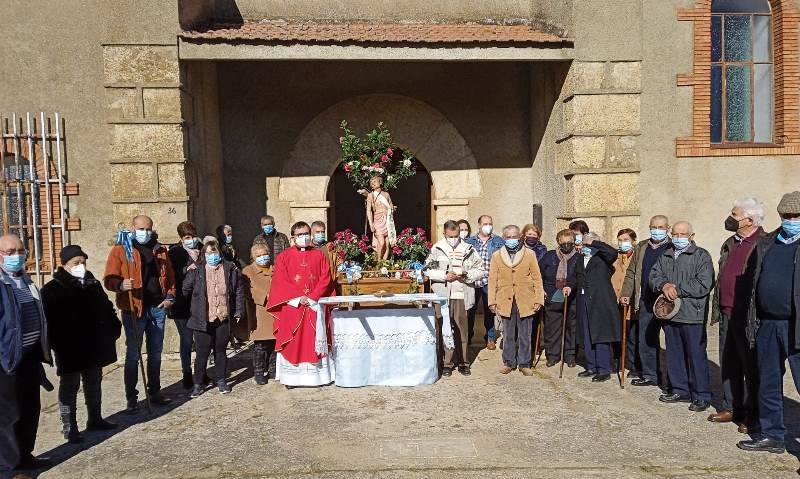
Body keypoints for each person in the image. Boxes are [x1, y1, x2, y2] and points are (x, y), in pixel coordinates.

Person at [738, 191, 800, 454]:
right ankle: (772, 435)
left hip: (796, 325)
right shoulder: (767, 242)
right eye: (787, 215)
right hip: (768, 324)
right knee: (768, 382)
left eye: (796, 216)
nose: (791, 220)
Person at [42, 245, 120, 444]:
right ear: (64, 265)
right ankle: (69, 427)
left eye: (83, 262)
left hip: (94, 344)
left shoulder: (92, 283)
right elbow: (49, 323)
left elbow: (106, 307)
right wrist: (56, 344)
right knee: (70, 386)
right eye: (76, 263)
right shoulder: (52, 289)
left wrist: (113, 327)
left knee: (93, 381)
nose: (81, 266)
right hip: (70, 348)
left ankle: (95, 418)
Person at [104, 215, 175, 412]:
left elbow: (170, 277)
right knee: (133, 354)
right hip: (134, 308)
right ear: (133, 228)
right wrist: (120, 285)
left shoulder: (160, 250)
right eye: (141, 228)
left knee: (155, 353)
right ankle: (131, 397)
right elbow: (109, 279)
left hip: (157, 307)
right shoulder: (121, 249)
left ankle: (155, 392)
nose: (145, 232)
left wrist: (170, 297)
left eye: (148, 229)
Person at [708, 198, 764, 432]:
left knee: (751, 366)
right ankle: (732, 407)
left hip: (748, 316)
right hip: (727, 311)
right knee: (729, 363)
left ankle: (753, 414)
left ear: (749, 220)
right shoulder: (730, 242)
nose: (730, 218)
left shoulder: (763, 243)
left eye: (735, 215)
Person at [649, 221, 714, 412]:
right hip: (670, 314)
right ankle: (679, 389)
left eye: (683, 234)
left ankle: (701, 395)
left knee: (696, 356)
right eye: (675, 234)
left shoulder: (701, 255)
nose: (678, 238)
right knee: (674, 354)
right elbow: (654, 276)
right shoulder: (666, 254)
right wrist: (663, 285)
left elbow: (704, 283)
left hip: (692, 314)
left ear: (691, 236)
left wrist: (677, 289)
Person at [0, 234, 52, 474]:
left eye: (20, 251)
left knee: (30, 408)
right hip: (6, 359)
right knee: (8, 415)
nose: (17, 256)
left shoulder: (25, 280)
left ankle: (25, 455)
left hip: (30, 355)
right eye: (10, 252)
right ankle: (9, 469)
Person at [267, 222, 336, 387]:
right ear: (293, 237)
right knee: (293, 342)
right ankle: (291, 378)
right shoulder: (284, 257)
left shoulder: (319, 255)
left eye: (306, 234)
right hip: (292, 306)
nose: (303, 237)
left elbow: (326, 278)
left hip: (314, 305)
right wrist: (299, 298)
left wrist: (312, 297)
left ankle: (319, 378)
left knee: (314, 339)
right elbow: (280, 281)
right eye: (299, 235)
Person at [184, 240, 244, 397]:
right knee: (202, 354)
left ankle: (221, 380)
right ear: (204, 254)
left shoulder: (230, 268)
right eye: (209, 253)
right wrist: (189, 271)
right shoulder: (197, 270)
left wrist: (238, 310)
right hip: (202, 319)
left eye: (215, 252)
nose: (212, 256)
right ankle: (198, 383)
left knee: (221, 352)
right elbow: (185, 290)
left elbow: (238, 290)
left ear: (220, 254)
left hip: (223, 317)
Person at [424, 220, 484, 377]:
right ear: (444, 234)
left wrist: (467, 275)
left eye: (456, 235)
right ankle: (446, 363)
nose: (454, 239)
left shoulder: (468, 249)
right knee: (444, 329)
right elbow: (427, 270)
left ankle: (464, 362)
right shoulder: (437, 249)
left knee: (462, 330)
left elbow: (480, 269)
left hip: (462, 295)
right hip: (442, 296)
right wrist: (444, 275)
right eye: (450, 236)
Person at [620, 215, 671, 387]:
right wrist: (626, 293)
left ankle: (674, 380)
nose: (657, 230)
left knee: (672, 342)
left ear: (667, 228)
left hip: (667, 301)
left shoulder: (672, 247)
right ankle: (650, 374)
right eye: (653, 227)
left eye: (661, 227)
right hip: (645, 300)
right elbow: (631, 273)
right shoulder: (642, 247)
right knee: (646, 339)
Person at [488, 225, 544, 376]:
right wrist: (492, 301)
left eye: (514, 237)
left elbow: (537, 278)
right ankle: (509, 362)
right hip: (505, 299)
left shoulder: (530, 254)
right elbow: (492, 280)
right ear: (504, 238)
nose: (511, 239)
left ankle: (524, 363)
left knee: (525, 334)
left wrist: (539, 298)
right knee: (508, 334)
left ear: (520, 237)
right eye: (508, 237)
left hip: (525, 299)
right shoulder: (497, 256)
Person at [576, 232, 621, 382]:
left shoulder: (603, 258)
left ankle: (603, 369)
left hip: (601, 301)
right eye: (584, 243)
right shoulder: (580, 258)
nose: (585, 246)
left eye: (588, 244)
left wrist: (594, 243)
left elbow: (613, 252)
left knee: (601, 335)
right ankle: (591, 366)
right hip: (584, 300)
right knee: (587, 335)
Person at [538, 229, 579, 368]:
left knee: (571, 328)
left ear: (574, 242)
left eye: (569, 242)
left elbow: (579, 276)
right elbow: (539, 274)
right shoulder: (549, 256)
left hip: (571, 298)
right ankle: (552, 355)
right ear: (558, 242)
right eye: (564, 242)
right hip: (552, 296)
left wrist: (571, 286)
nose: (567, 245)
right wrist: (541, 289)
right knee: (552, 328)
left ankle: (570, 355)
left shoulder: (578, 257)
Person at [168, 221, 200, 389]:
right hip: (181, 303)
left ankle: (200, 372)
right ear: (181, 238)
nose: (191, 240)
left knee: (201, 340)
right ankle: (187, 373)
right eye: (188, 237)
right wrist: (186, 270)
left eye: (193, 236)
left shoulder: (202, 249)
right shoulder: (174, 252)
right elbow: (169, 276)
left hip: (199, 302)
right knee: (187, 340)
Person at [466, 215, 505, 350]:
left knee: (490, 311)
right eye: (485, 223)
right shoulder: (470, 241)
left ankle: (490, 337)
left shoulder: (499, 241)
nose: (488, 226)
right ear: (479, 225)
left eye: (490, 223)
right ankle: (468, 336)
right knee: (470, 310)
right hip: (473, 281)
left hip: (490, 281)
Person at [242, 243, 276, 385]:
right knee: (260, 344)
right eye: (259, 255)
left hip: (275, 311)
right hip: (259, 312)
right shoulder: (248, 271)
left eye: (264, 254)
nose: (263, 257)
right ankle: (259, 372)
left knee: (274, 343)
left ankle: (273, 369)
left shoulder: (275, 269)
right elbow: (247, 290)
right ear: (253, 257)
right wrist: (264, 296)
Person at [366, 176, 396, 260]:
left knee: (387, 244)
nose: (373, 184)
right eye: (371, 183)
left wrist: (392, 208)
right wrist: (371, 224)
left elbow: (391, 205)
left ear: (380, 182)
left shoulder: (386, 194)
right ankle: (379, 262)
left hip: (387, 221)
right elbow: (369, 211)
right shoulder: (371, 195)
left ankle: (384, 263)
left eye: (375, 182)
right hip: (378, 221)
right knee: (381, 243)